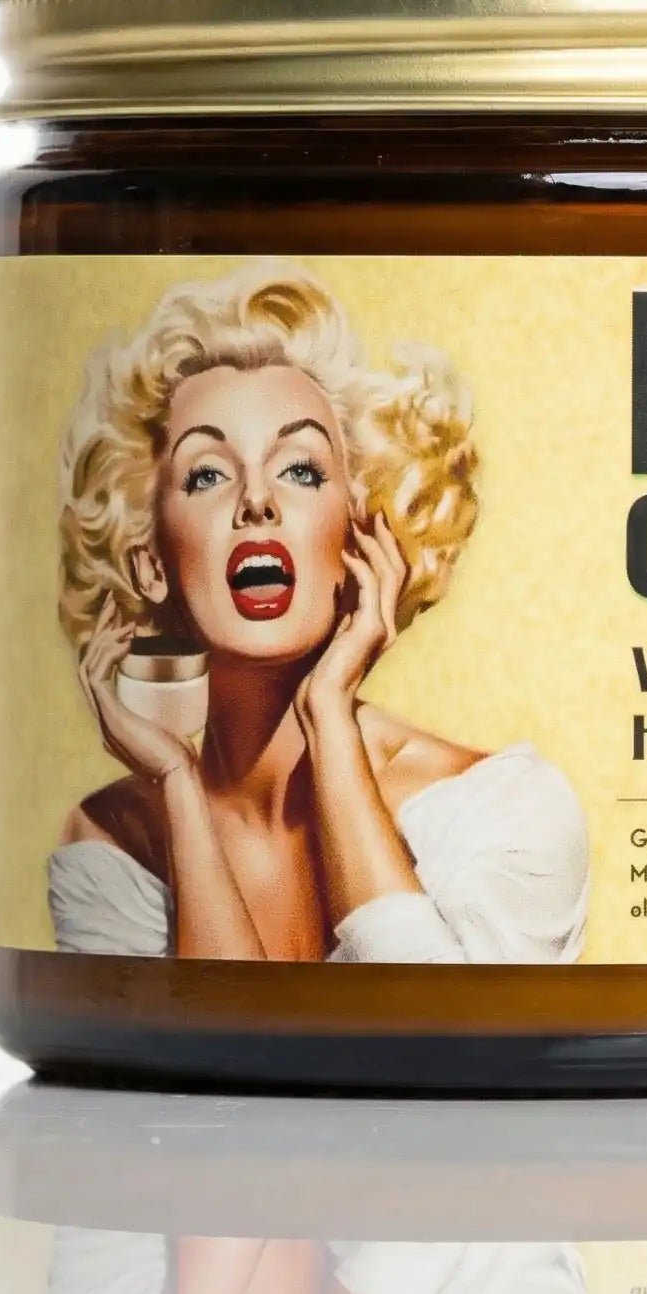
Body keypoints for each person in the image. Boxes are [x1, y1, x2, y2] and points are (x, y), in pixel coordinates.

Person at [47, 262, 589, 964]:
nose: (256, 500)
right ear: (151, 562)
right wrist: (178, 784)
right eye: (208, 474)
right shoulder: (111, 844)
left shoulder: (505, 809)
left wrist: (329, 713)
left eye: (300, 469)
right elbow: (206, 1028)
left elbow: (436, 1020)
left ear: (360, 534)